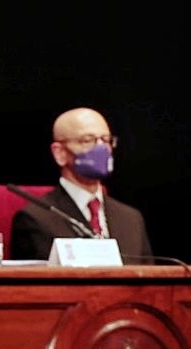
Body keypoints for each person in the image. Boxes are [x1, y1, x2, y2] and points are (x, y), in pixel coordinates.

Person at [10, 107, 151, 261]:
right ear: (60, 153)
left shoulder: (131, 218)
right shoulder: (37, 218)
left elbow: (151, 281)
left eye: (106, 140)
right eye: (87, 140)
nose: (101, 148)